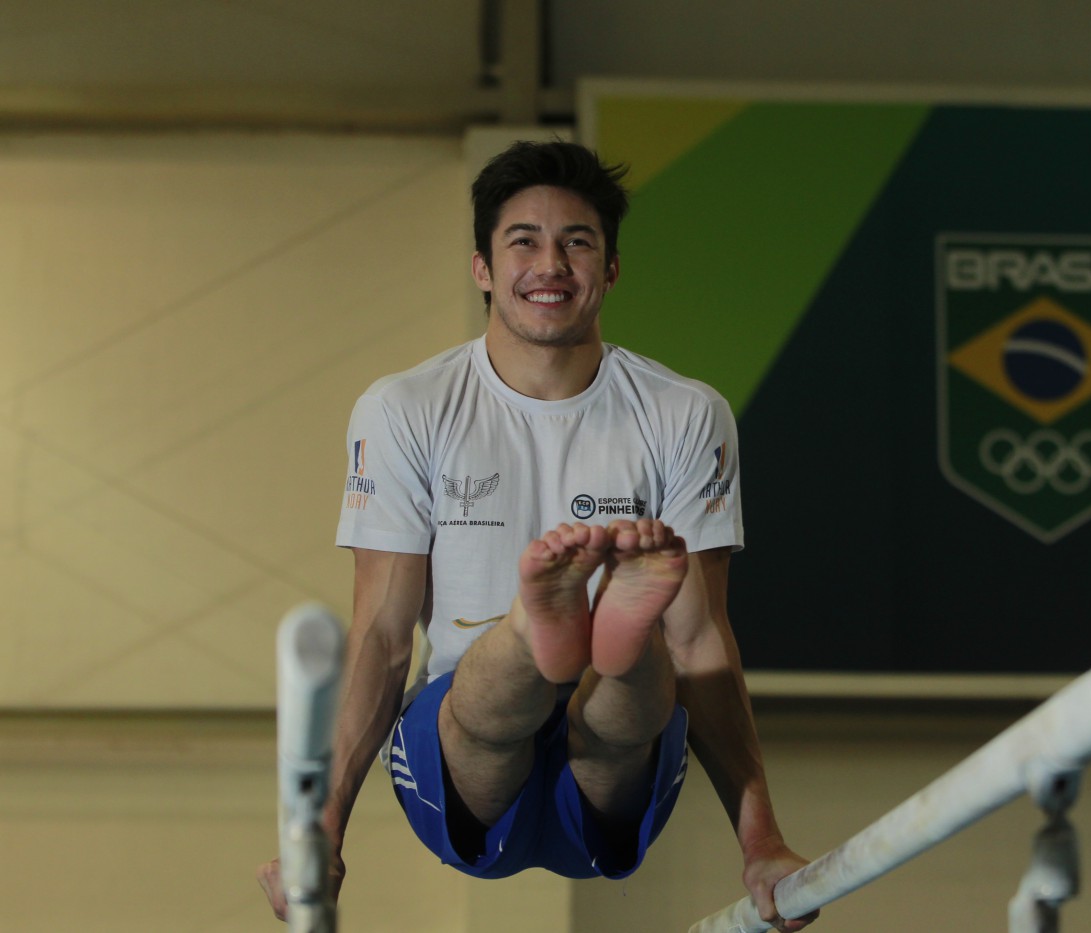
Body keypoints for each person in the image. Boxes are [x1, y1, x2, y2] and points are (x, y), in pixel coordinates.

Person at [256, 140, 816, 930]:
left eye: (576, 243)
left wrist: (764, 841)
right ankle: (541, 631)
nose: (550, 264)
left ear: (611, 268)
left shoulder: (685, 414)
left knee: (640, 676)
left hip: (611, 771)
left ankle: (589, 637)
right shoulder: (407, 408)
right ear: (482, 266)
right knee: (491, 706)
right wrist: (321, 830)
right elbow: (383, 636)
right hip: (459, 748)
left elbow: (704, 647)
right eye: (524, 241)